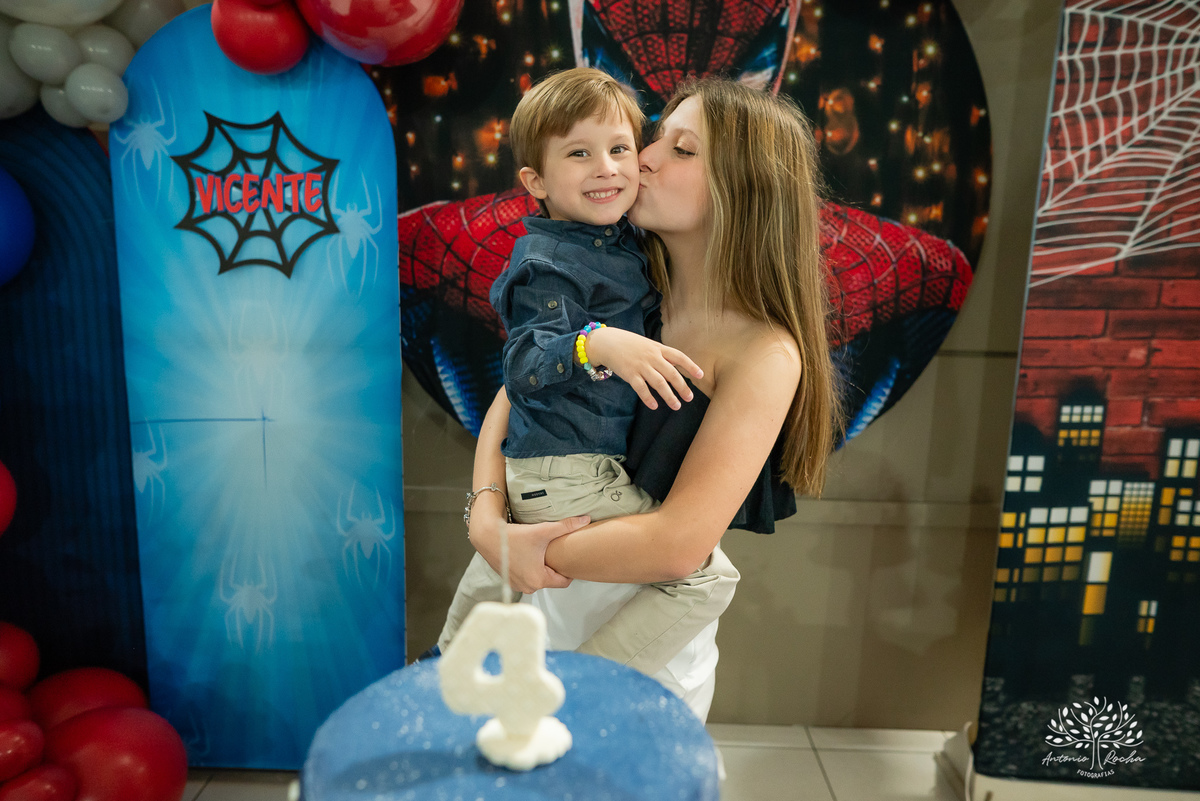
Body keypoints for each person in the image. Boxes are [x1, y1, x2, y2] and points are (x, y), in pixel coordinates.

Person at [458, 76, 843, 722]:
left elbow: (680, 547)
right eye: (657, 136)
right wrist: (486, 518)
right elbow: (512, 395)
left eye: (681, 149)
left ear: (741, 187)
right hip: (544, 609)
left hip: (641, 658)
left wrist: (525, 545)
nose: (643, 157)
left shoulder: (765, 352)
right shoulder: (631, 287)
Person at [437, 68, 742, 677]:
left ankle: (448, 659)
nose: (607, 168)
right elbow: (520, 368)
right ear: (536, 181)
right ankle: (586, 690)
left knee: (512, 564)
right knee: (706, 577)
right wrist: (598, 344)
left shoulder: (620, 243)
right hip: (568, 470)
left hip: (558, 468)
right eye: (579, 153)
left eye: (620, 148)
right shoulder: (550, 260)